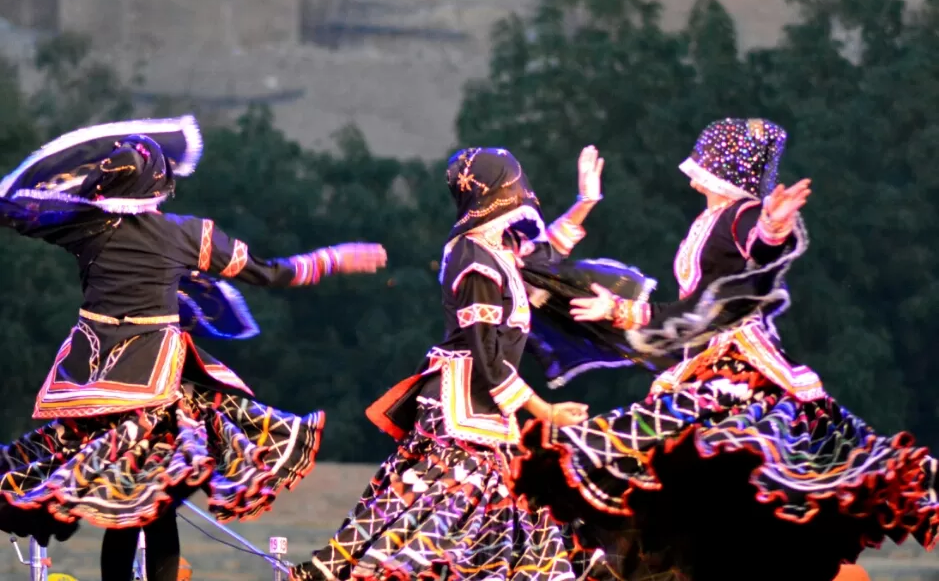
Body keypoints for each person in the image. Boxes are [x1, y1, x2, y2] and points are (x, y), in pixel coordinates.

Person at [509, 119, 939, 581]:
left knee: (706, 468)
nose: (696, 162)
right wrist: (617, 308)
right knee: (688, 480)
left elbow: (764, 245)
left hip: (739, 370)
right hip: (707, 361)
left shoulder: (742, 213)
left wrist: (774, 228)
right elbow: (692, 307)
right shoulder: (711, 218)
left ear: (723, 168)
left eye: (709, 154)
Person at [0, 116, 387, 581]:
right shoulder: (186, 234)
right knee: (150, 504)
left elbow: (20, 212)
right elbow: (270, 272)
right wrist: (333, 259)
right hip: (152, 387)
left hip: (94, 387)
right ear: (160, 187)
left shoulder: (84, 226)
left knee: (137, 503)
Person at [291, 146, 613, 581]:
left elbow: (543, 258)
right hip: (459, 412)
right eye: (514, 187)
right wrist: (544, 410)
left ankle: (326, 572)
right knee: (426, 519)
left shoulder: (496, 249)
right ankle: (326, 573)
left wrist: (586, 202)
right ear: (497, 194)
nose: (524, 197)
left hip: (483, 416)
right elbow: (487, 356)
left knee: (469, 523)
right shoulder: (472, 259)